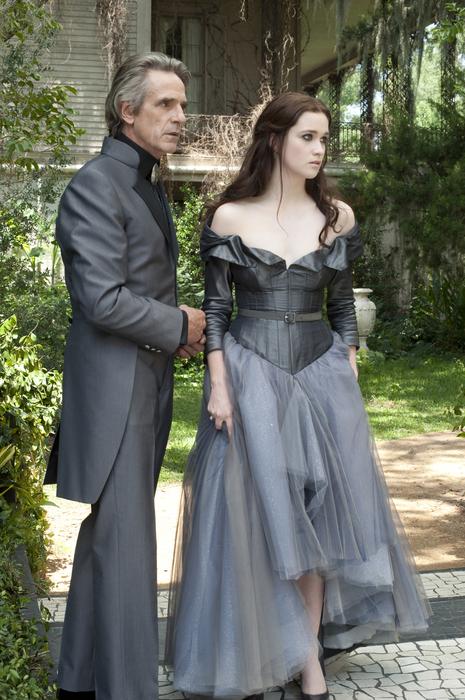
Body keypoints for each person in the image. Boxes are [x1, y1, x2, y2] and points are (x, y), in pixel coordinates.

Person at [165, 92, 430, 700]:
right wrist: (219, 386)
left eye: (323, 139)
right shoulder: (230, 217)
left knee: (319, 523)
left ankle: (308, 660)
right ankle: (260, 651)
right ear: (275, 139)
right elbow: (216, 309)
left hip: (320, 377)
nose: (319, 149)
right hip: (250, 377)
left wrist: (347, 368)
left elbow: (342, 307)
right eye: (307, 137)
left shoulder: (338, 217)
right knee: (260, 521)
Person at [44, 52, 206, 700]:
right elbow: (101, 299)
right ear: (127, 110)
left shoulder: (143, 183)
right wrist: (179, 323)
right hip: (114, 393)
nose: (180, 116)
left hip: (144, 383)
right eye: (166, 103)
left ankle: (78, 680)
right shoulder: (96, 184)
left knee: (110, 537)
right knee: (127, 544)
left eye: (183, 104)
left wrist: (173, 334)